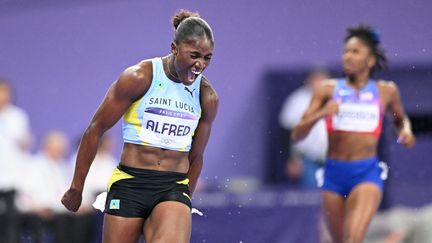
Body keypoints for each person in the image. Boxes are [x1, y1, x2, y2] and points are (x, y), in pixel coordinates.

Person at [61, 9, 218, 243]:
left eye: (207, 58)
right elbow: (95, 129)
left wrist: (185, 198)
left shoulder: (207, 97)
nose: (199, 65)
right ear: (174, 48)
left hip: (171, 186)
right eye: (194, 55)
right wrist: (76, 187)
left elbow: (197, 156)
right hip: (130, 183)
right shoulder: (139, 77)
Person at [292, 25, 415, 243]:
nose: (347, 57)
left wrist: (405, 131)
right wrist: (321, 113)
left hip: (366, 173)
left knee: (353, 239)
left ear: (370, 60)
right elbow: (297, 135)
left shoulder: (386, 91)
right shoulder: (327, 90)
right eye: (345, 51)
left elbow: (400, 120)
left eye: (355, 52)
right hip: (333, 175)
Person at [279, 68, 330, 188]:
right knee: (310, 197)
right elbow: (287, 132)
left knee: (333, 197)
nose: (320, 83)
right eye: (317, 79)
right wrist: (291, 159)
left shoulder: (336, 98)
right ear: (309, 81)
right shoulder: (297, 100)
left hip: (332, 159)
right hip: (307, 159)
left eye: (323, 79)